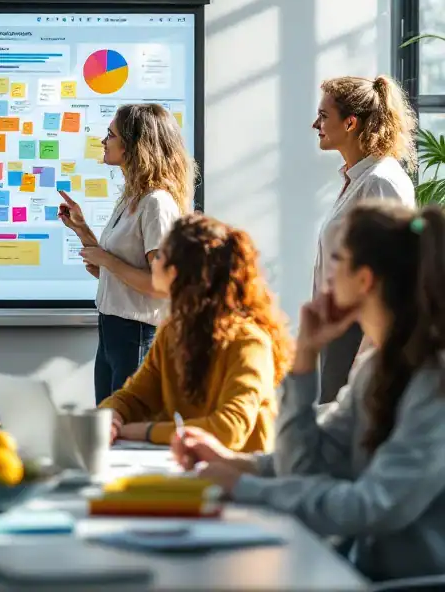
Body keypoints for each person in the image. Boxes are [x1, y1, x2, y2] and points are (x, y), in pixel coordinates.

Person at [171, 202, 445, 584]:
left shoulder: (435, 382)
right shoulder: (375, 369)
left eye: (338, 258)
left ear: (364, 279)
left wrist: (244, 486)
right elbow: (309, 465)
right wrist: (304, 359)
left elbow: (372, 506)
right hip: (358, 572)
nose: (327, 272)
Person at [100, 214, 292, 452]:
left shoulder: (249, 342)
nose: (152, 263)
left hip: (241, 471)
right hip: (184, 465)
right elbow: (135, 397)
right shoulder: (173, 331)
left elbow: (228, 430)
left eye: (159, 256)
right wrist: (111, 416)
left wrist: (146, 431)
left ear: (177, 272)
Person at [58, 103, 195, 403]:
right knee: (107, 423)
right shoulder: (134, 198)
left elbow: (161, 285)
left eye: (111, 135)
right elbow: (120, 272)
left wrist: (107, 261)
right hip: (111, 333)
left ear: (135, 145)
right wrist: (81, 229)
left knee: (124, 425)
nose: (103, 141)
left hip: (137, 336)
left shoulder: (156, 203)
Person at [311, 74, 416, 403]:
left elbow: (395, 277)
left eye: (323, 116)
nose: (316, 125)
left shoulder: (380, 182)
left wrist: (366, 357)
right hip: (340, 334)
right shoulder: (359, 178)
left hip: (357, 339)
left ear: (351, 122)